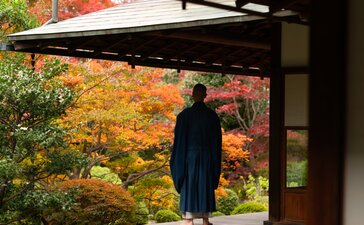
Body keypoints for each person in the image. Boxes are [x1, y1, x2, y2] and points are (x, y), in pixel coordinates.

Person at [170, 83, 222, 225]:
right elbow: (216, 143)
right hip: (207, 157)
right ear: (205, 95)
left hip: (188, 158)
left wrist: (179, 161)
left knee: (189, 184)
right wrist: (213, 162)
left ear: (192, 95)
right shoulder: (212, 116)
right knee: (205, 183)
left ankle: (188, 219)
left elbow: (179, 142)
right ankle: (205, 220)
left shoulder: (184, 116)